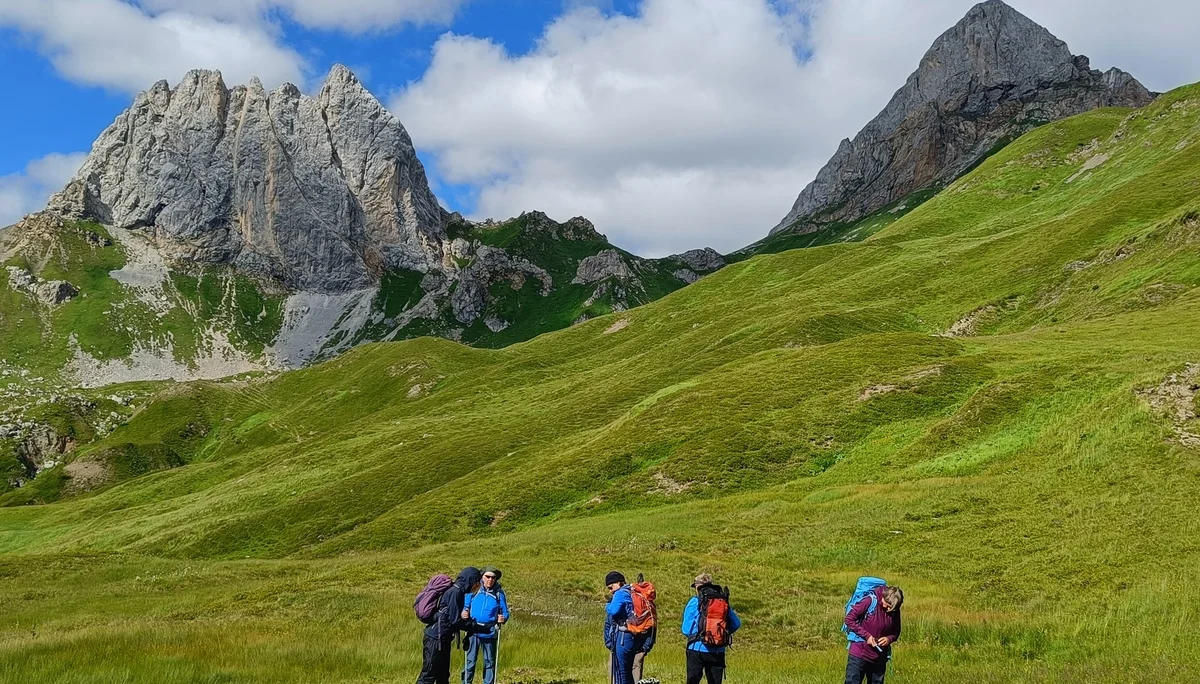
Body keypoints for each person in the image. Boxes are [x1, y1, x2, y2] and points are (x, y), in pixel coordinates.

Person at [417, 567, 482, 684]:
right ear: (471, 581)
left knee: (442, 676)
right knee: (428, 676)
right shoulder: (455, 592)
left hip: (443, 638)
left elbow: (453, 617)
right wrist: (474, 626)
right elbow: (455, 620)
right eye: (477, 583)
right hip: (436, 639)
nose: (477, 586)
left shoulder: (458, 592)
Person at [681, 573, 741, 684]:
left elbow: (686, 629)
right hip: (717, 650)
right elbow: (736, 623)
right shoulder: (721, 601)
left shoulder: (694, 602)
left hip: (696, 649)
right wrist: (720, 633)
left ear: (698, 587)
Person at [843, 585, 903, 684]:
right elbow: (849, 619)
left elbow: (896, 631)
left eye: (891, 608)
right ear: (884, 597)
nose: (888, 609)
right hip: (859, 653)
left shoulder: (894, 608)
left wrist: (889, 639)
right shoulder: (869, 601)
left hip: (879, 656)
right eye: (887, 605)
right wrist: (867, 636)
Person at [462, 566, 510, 684]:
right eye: (487, 577)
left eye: (493, 577)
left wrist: (503, 618)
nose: (490, 580)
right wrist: (464, 612)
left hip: (490, 632)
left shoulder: (499, 593)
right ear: (482, 577)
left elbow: (505, 612)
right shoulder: (474, 589)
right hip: (473, 630)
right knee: (470, 662)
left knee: (489, 662)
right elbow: (465, 606)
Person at [604, 571, 649, 684]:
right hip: (635, 636)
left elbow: (614, 611)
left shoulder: (620, 593)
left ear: (619, 583)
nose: (611, 591)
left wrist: (608, 605)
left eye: (611, 587)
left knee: (622, 671)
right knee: (626, 670)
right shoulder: (632, 591)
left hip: (624, 637)